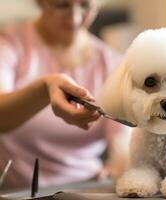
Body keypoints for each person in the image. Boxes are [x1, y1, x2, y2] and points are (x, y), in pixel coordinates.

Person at [0, 0, 127, 192]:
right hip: (20, 192)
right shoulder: (9, 44)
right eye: (61, 5)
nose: (75, 18)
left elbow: (121, 142)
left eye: (85, 5)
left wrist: (115, 169)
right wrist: (45, 89)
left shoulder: (113, 65)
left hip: (86, 189)